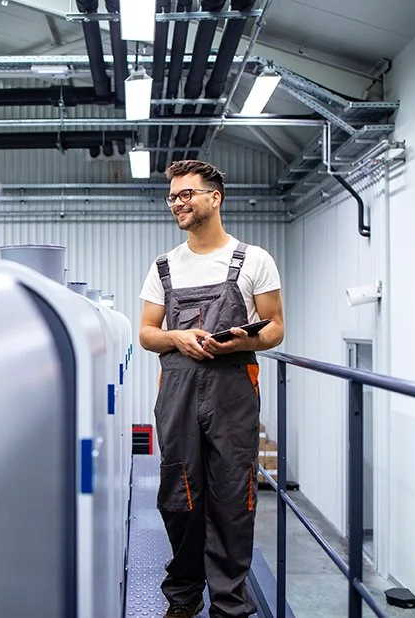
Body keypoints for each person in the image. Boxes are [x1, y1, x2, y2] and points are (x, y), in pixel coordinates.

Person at [138, 160, 285, 618]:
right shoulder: (164, 266)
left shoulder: (253, 259)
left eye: (188, 194)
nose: (178, 203)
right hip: (178, 391)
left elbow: (276, 327)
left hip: (232, 390)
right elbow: (145, 332)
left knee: (232, 499)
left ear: (214, 197)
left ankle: (228, 604)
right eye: (173, 197)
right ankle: (183, 596)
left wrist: (247, 339)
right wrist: (177, 337)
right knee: (179, 496)